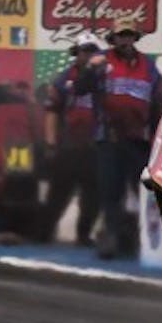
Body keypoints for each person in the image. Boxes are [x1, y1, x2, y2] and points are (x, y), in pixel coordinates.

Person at [76, 17, 162, 258]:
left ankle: (144, 242)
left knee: (143, 192)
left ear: (135, 37)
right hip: (109, 138)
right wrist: (89, 69)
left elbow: (157, 103)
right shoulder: (101, 61)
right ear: (112, 39)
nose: (124, 40)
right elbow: (80, 89)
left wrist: (157, 139)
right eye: (120, 36)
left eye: (128, 35)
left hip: (139, 140)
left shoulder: (149, 66)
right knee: (110, 191)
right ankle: (110, 238)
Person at [39, 37, 102, 245]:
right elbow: (51, 111)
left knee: (92, 196)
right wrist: (50, 143)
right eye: (83, 50)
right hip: (68, 146)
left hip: (95, 146)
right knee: (58, 194)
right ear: (76, 52)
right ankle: (44, 233)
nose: (87, 54)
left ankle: (83, 236)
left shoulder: (105, 79)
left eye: (92, 50)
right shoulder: (63, 78)